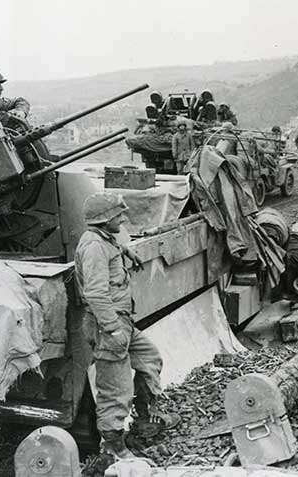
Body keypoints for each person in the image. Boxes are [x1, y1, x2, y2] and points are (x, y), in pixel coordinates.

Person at [76, 192, 181, 460]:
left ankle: (146, 420)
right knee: (116, 390)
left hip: (121, 322)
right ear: (104, 220)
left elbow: (109, 248)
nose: (123, 219)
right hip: (108, 327)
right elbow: (96, 294)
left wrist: (124, 250)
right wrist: (112, 328)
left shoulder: (104, 240)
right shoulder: (94, 248)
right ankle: (113, 446)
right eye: (118, 215)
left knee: (149, 359)